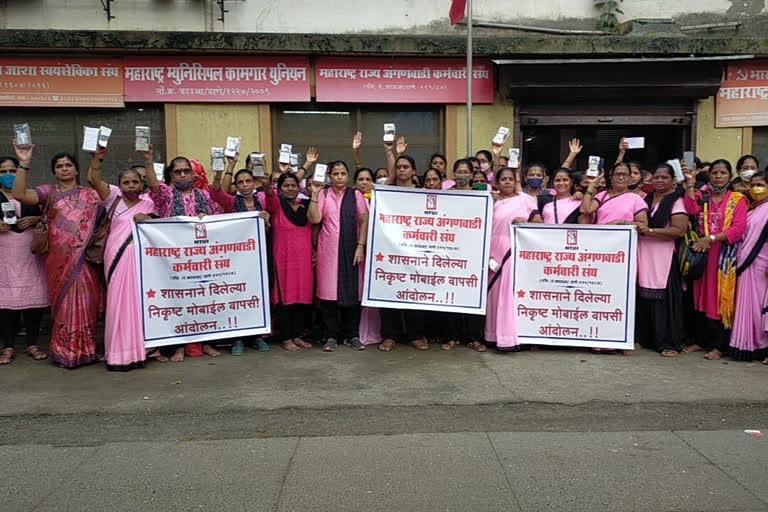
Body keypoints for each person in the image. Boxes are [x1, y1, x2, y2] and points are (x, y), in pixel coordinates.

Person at [11, 143, 103, 368]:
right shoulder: (48, 192)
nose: (64, 169)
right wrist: (24, 162)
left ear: (76, 169)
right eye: (59, 166)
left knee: (85, 305)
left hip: (85, 260)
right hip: (58, 262)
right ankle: (64, 350)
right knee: (64, 306)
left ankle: (86, 349)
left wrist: (97, 159)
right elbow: (19, 194)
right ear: (54, 171)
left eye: (68, 165)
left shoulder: (90, 194)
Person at [140, 145, 223, 362]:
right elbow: (152, 185)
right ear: (171, 175)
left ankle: (206, 343)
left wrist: (208, 219)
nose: (183, 174)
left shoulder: (204, 194)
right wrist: (148, 161)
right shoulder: (166, 194)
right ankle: (179, 346)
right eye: (178, 172)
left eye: (187, 170)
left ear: (194, 173)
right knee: (179, 300)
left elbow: (218, 220)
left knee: (204, 299)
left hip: (201, 257)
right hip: (174, 258)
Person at [87, 146, 164, 370]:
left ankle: (140, 350)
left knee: (138, 302)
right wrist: (97, 160)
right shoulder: (113, 198)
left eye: (135, 182)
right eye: (126, 182)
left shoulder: (150, 202)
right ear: (119, 186)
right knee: (118, 302)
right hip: (116, 256)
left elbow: (159, 225)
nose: (131, 186)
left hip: (142, 260)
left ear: (142, 184)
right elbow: (95, 179)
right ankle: (118, 353)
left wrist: (148, 217)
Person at [682, 159, 748, 360]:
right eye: (714, 173)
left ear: (729, 175)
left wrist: (710, 239)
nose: (718, 176)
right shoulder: (702, 194)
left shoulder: (738, 199)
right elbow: (691, 209)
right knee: (700, 298)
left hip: (722, 258)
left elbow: (737, 229)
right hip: (701, 255)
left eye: (722, 173)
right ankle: (701, 341)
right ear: (709, 176)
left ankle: (719, 345)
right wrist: (690, 183)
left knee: (719, 300)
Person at [209, 157, 271, 355]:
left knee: (256, 296)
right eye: (241, 182)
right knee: (237, 296)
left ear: (255, 183)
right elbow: (215, 193)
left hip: (258, 256)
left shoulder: (261, 201)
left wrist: (266, 220)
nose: (245, 185)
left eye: (248, 181)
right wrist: (227, 167)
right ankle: (237, 338)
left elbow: (270, 222)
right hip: (235, 259)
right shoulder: (231, 201)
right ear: (236, 185)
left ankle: (257, 336)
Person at [308, 161, 369, 352]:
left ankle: (352, 335)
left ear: (348, 176)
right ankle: (331, 335)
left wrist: (360, 246)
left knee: (353, 293)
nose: (339, 177)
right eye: (335, 173)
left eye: (343, 173)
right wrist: (315, 193)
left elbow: (364, 220)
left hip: (352, 250)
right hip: (328, 252)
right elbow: (315, 218)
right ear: (330, 176)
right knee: (329, 295)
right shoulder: (324, 194)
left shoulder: (356, 194)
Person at [486, 167, 542, 351]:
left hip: (514, 249)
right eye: (503, 179)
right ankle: (493, 335)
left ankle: (510, 336)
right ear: (497, 182)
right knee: (493, 294)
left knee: (509, 294)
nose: (507, 182)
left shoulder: (525, 199)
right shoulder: (490, 200)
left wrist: (525, 223)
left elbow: (539, 222)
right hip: (492, 250)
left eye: (511, 178)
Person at [635, 164, 687, 356]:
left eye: (664, 177)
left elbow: (679, 231)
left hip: (663, 256)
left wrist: (650, 231)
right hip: (643, 253)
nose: (659, 180)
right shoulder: (645, 199)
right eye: (656, 177)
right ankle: (646, 338)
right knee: (642, 296)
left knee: (665, 301)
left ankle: (668, 343)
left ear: (673, 181)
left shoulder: (676, 201)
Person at [0, 154, 48, 365]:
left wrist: (36, 218)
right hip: (5, 255)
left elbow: (51, 215)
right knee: (6, 304)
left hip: (30, 254)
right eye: (3, 172)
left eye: (12, 171)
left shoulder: (30, 195)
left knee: (33, 301)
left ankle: (33, 343)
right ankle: (7, 346)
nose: (9, 175)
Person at [379, 155, 429, 352]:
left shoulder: (423, 193)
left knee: (414, 293)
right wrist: (389, 151)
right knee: (388, 289)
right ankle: (390, 335)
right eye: (398, 167)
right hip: (390, 250)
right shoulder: (385, 193)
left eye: (406, 167)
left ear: (413, 171)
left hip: (416, 251)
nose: (401, 170)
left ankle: (415, 335)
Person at [264, 172, 314, 352]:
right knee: (285, 300)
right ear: (280, 187)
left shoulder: (306, 205)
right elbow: (270, 196)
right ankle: (286, 337)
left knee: (301, 299)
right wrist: (267, 183)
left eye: (293, 185)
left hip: (304, 260)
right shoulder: (277, 206)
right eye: (286, 185)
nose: (290, 188)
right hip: (283, 260)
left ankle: (296, 335)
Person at [729, 170, 768, 362]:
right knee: (747, 306)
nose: (756, 189)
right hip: (746, 263)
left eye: (760, 185)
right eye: (752, 185)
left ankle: (762, 345)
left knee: (760, 307)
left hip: (762, 264)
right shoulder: (752, 208)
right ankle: (746, 344)